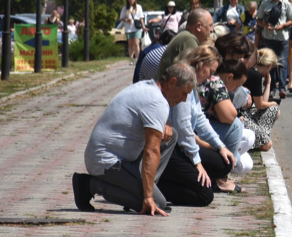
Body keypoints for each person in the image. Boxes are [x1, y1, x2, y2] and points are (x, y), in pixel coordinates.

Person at [73, 63, 195, 215]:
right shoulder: (156, 102)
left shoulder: (150, 88)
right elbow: (152, 150)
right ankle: (90, 185)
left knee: (171, 136)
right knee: (157, 203)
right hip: (105, 161)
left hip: (121, 157)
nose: (184, 100)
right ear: (172, 83)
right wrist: (149, 196)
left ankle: (139, 191)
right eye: (184, 93)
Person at [159, 46, 238, 204]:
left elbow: (200, 119)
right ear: (200, 64)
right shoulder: (184, 84)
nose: (210, 77)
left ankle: (182, 178)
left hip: (182, 146)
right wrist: (197, 162)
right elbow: (183, 129)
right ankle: (157, 185)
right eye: (210, 71)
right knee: (204, 196)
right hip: (170, 148)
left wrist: (220, 146)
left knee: (224, 163)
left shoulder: (193, 86)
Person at [257, 0, 292, 100]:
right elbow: (259, 19)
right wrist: (265, 25)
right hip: (269, 37)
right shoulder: (265, 4)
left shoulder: (287, 5)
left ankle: (282, 88)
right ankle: (272, 88)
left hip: (282, 38)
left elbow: (291, 20)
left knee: (282, 63)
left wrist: (283, 26)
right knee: (270, 63)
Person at [155, 8, 214, 81]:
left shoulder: (185, 36)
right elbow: (194, 76)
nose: (212, 30)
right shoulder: (189, 39)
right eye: (210, 26)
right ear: (198, 27)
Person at [240, 48, 281, 150]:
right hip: (242, 114)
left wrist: (268, 83)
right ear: (269, 66)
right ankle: (260, 140)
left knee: (274, 110)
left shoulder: (257, 74)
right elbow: (260, 105)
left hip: (249, 112)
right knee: (268, 145)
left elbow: (262, 102)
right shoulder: (255, 75)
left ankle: (261, 137)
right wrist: (273, 103)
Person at [119, 0, 144, 65]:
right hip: (128, 28)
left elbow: (141, 18)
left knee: (136, 43)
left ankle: (137, 58)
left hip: (137, 28)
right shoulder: (125, 8)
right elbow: (121, 18)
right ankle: (131, 59)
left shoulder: (138, 7)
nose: (131, 0)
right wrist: (126, 20)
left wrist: (144, 26)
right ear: (128, 0)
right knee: (130, 44)